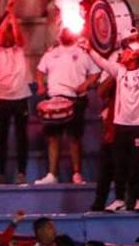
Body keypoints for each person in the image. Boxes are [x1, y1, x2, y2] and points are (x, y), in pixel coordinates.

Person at [82, 38, 139, 211]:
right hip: (120, 125)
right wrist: (89, 49)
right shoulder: (119, 70)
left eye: (127, 51)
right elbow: (103, 62)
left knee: (138, 164)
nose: (122, 53)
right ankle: (119, 199)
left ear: (134, 56)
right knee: (119, 164)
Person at [35, 27, 100, 185]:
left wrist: (86, 84)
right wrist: (40, 85)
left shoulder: (83, 52)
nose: (65, 33)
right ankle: (52, 174)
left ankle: (77, 173)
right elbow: (39, 70)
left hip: (75, 99)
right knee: (53, 137)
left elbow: (95, 72)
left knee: (74, 138)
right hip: (54, 98)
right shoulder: (51, 52)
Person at [0, 3, 31, 184]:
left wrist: (12, 16)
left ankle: (21, 172)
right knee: (2, 137)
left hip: (21, 96)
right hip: (4, 98)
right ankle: (1, 173)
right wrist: (6, 17)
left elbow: (19, 37)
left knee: (22, 136)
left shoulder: (18, 49)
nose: (7, 36)